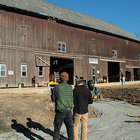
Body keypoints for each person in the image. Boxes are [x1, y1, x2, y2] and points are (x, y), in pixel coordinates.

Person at [51, 72, 74, 140]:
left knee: (57, 129)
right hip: (69, 111)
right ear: (67, 78)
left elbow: (53, 99)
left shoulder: (57, 87)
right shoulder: (70, 87)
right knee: (70, 129)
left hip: (60, 111)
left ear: (60, 78)